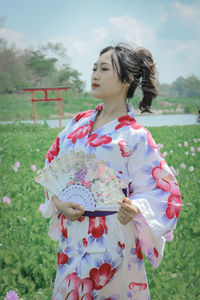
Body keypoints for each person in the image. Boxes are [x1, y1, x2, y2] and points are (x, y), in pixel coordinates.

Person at [42, 43, 182, 299]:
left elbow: (164, 192)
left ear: (127, 80)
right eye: (94, 68)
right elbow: (52, 165)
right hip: (72, 237)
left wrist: (137, 207)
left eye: (104, 69)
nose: (95, 74)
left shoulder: (135, 136)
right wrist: (58, 202)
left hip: (112, 237)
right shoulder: (77, 123)